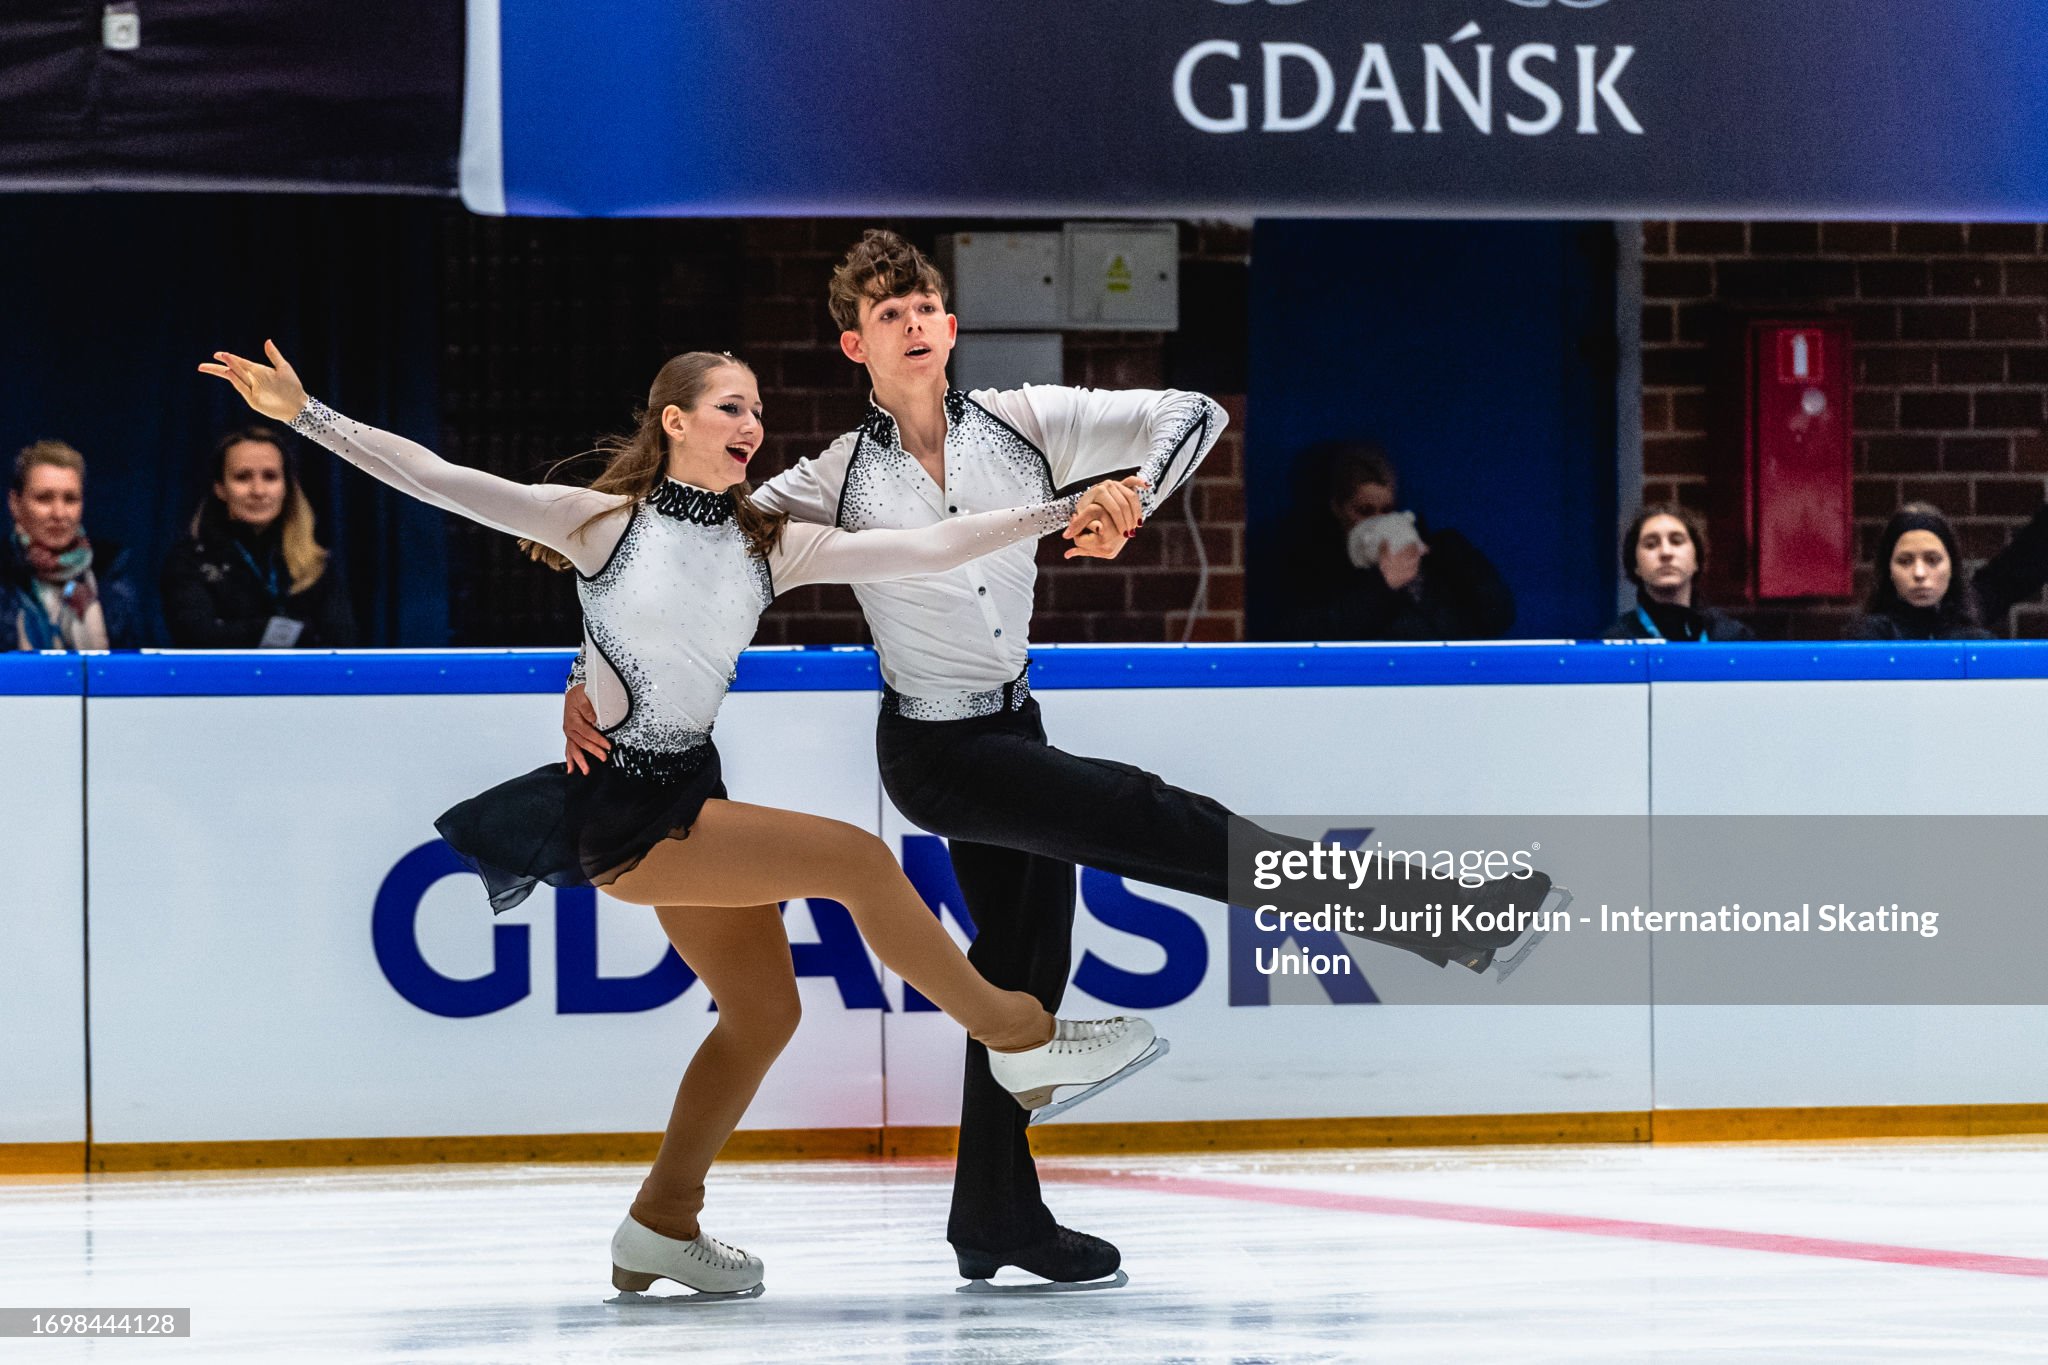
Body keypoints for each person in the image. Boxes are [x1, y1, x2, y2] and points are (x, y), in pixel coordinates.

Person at [564, 231, 1553, 1292]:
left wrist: (1135, 493)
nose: (912, 323)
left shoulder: (1026, 423)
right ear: (856, 345)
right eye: (888, 314)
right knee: (1151, 815)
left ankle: (996, 1216)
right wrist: (590, 678)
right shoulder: (833, 479)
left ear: (950, 327)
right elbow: (672, 562)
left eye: (924, 307)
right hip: (939, 751)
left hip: (1013, 725)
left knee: (1024, 970)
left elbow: (1194, 413)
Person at [200, 340, 1163, 1301]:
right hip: (626, 810)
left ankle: (662, 1221)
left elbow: (929, 546)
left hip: (691, 792)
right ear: (675, 421)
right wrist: (305, 415)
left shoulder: (768, 541)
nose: (752, 426)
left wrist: (1060, 508)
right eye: (730, 408)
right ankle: (1020, 1038)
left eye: (757, 412)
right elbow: (438, 478)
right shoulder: (600, 524)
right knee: (860, 861)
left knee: (764, 1012)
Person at [1273, 441, 1514, 641]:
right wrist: (1383, 585)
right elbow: (1302, 636)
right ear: (1338, 508)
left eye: (1387, 510)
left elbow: (1498, 617)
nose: (1378, 520)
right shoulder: (1312, 564)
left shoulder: (1441, 550)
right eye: (1365, 511)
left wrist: (1455, 564)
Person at [161, 425, 358, 648]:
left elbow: (342, 644)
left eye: (270, 477)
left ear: (287, 487)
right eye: (242, 477)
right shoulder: (189, 561)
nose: (258, 491)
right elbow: (199, 639)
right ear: (220, 488)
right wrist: (293, 630)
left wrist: (238, 630)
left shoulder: (316, 563)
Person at [3, 440, 141, 650]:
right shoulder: (5, 575)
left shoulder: (110, 577)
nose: (59, 514)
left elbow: (133, 663)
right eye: (44, 498)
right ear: (15, 504)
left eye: (70, 499)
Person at [1603, 504, 1754, 641]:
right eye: (1651, 544)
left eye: (1676, 541)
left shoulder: (1732, 637)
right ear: (1636, 565)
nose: (1666, 552)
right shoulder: (1617, 642)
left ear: (1696, 560)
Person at [1844, 503, 1993, 641]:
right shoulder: (1866, 640)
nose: (1919, 573)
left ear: (1952, 568)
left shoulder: (1976, 642)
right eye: (1905, 561)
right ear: (1888, 570)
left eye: (1932, 560)